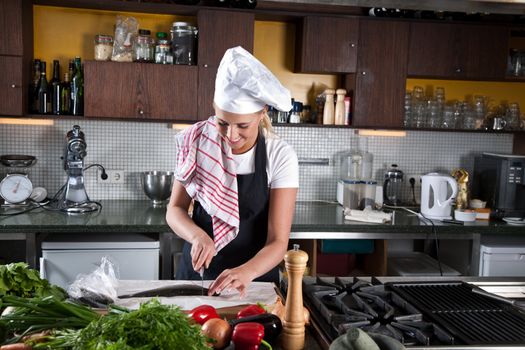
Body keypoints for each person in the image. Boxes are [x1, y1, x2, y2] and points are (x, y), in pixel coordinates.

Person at [166, 46, 299, 297]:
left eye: (242, 126)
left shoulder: (279, 155)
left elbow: (278, 241)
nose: (230, 135)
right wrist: (196, 236)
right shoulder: (197, 143)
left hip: (253, 281)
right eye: (222, 123)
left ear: (262, 113)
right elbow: (175, 210)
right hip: (198, 277)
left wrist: (246, 272)